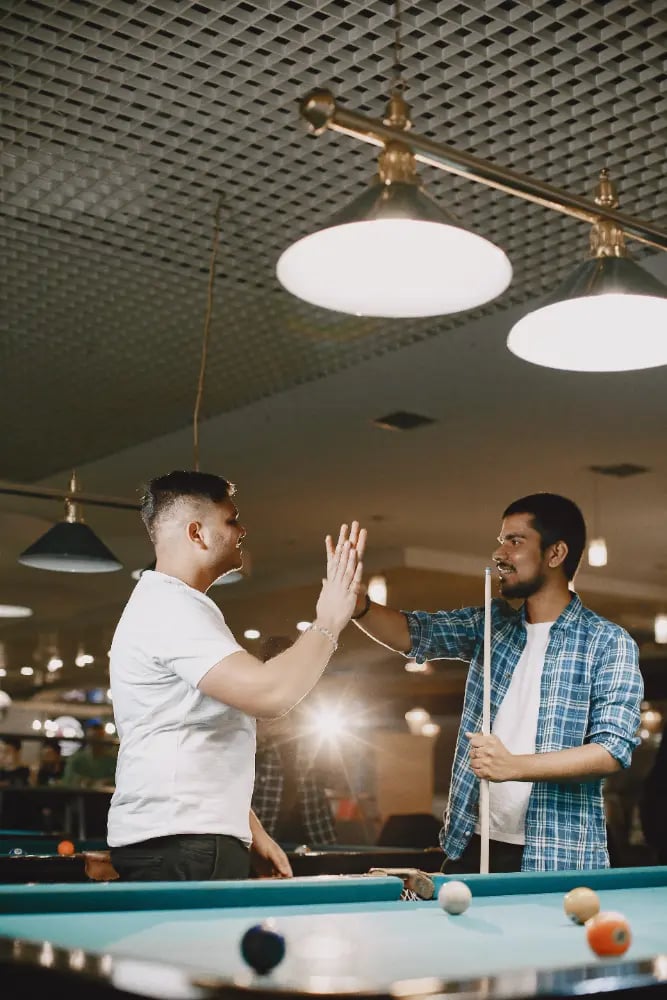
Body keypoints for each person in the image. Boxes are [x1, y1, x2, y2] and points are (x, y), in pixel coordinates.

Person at [344, 493, 643, 871]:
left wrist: (513, 765)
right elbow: (414, 634)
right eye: (501, 540)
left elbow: (611, 750)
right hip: (472, 844)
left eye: (515, 541)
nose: (499, 554)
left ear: (556, 554)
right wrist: (360, 608)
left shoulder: (607, 641)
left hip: (557, 854)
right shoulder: (493, 625)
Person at [107, 470, 363, 881]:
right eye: (231, 520)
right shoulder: (171, 609)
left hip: (182, 837)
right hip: (182, 842)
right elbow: (270, 694)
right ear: (197, 532)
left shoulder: (172, 605)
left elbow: (195, 733)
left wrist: (248, 827)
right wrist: (330, 619)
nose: (243, 530)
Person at [252, 636, 336, 849]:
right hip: (263, 822)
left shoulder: (310, 704)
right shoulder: (251, 701)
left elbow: (332, 773)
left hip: (312, 823)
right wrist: (260, 737)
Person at [61, 722, 117, 788]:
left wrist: (106, 782)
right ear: (88, 739)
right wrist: (86, 782)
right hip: (81, 795)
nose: (96, 742)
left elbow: (119, 779)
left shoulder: (111, 761)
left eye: (99, 738)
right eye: (94, 738)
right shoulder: (76, 759)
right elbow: (68, 779)